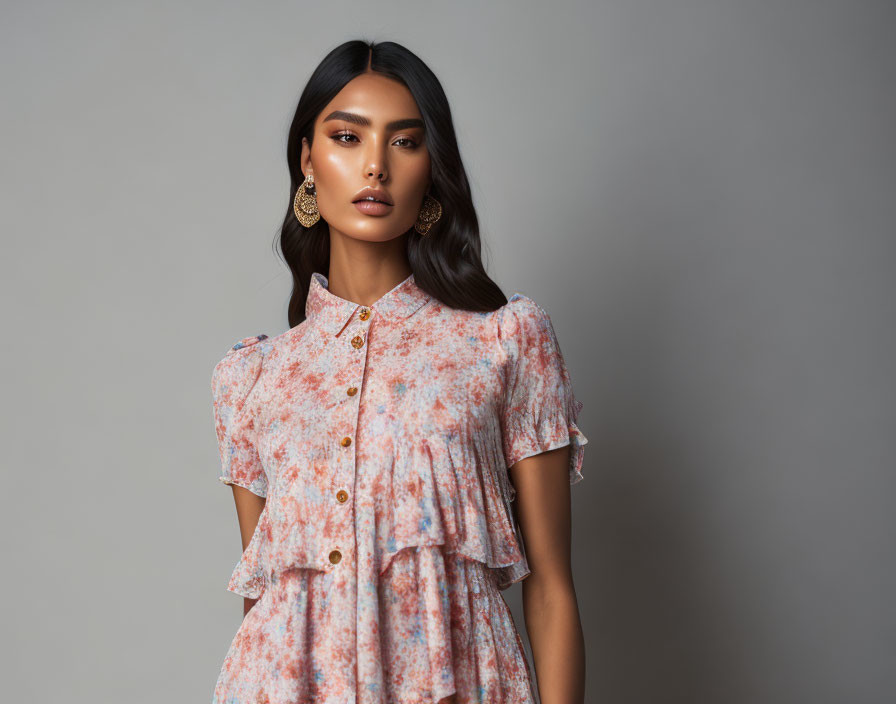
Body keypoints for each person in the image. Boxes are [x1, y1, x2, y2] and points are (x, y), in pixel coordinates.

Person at [210, 39, 588, 704]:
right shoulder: (252, 379)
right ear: (308, 160)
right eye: (348, 137)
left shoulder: (503, 343)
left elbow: (552, 587)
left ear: (431, 167)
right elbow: (267, 603)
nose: (375, 166)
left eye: (405, 142)